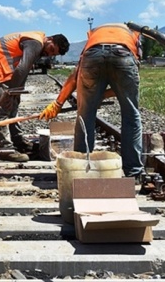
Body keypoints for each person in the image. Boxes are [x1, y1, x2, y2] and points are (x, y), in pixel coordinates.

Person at [39, 23, 144, 178]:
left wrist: (58, 103)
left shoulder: (94, 38)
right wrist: (104, 94)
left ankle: (80, 169)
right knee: (131, 116)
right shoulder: (133, 34)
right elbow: (131, 83)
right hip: (124, 55)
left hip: (92, 58)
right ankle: (133, 172)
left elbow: (75, 75)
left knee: (85, 116)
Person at [0, 31, 70, 162]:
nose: (48, 54)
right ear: (49, 39)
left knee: (13, 105)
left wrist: (17, 93)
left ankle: (18, 141)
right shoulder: (36, 43)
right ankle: (5, 149)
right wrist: (11, 92)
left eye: (52, 54)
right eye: (51, 49)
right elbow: (22, 69)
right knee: (3, 109)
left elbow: (24, 71)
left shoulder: (36, 43)